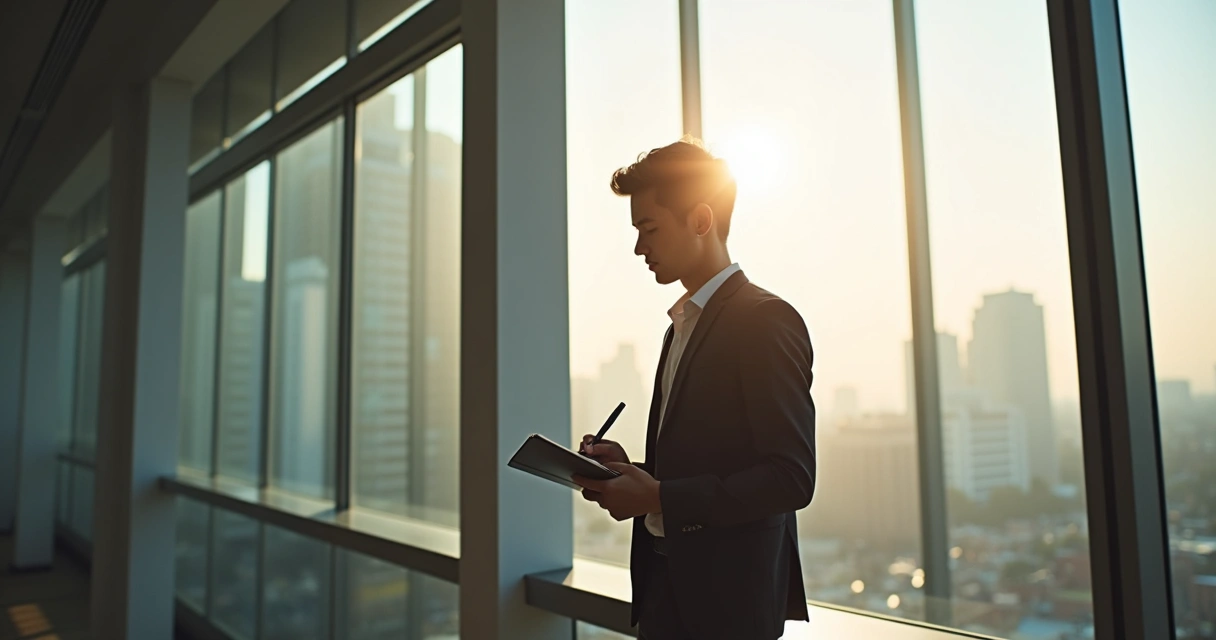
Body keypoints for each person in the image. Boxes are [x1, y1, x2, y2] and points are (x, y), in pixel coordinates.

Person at [572, 137, 817, 640]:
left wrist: (658, 494)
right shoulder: (681, 325)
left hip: (729, 611)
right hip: (666, 592)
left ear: (701, 220)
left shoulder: (765, 320)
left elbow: (791, 478)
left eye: (650, 229)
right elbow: (704, 465)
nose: (640, 247)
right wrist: (634, 473)